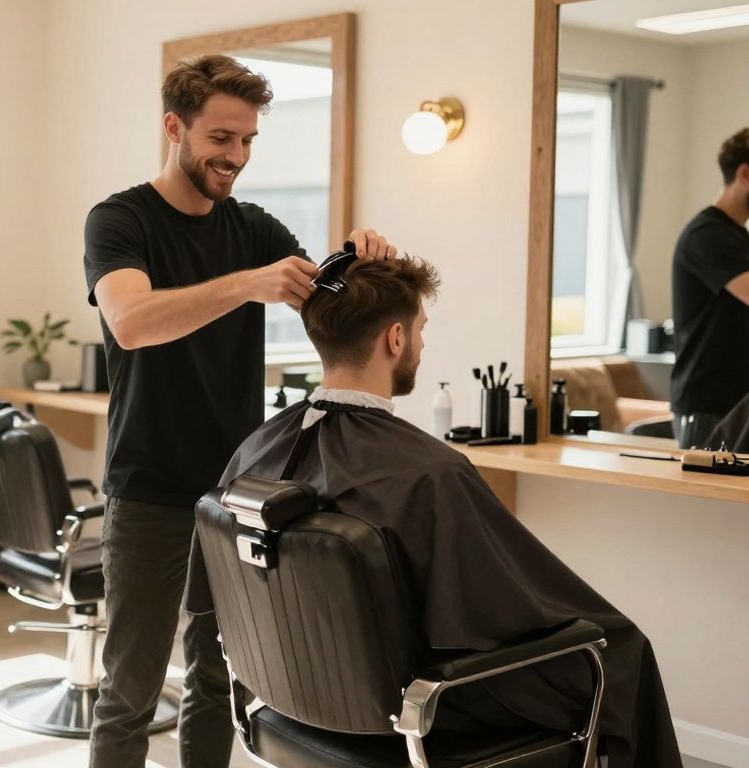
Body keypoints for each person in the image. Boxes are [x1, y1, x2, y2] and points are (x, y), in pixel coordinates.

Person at [188, 256, 683, 767]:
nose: (422, 346)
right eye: (421, 331)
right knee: (619, 651)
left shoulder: (255, 452)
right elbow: (499, 613)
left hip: (292, 702)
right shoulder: (430, 474)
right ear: (395, 339)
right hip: (419, 716)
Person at [82, 54, 397, 767]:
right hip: (149, 487)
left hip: (233, 491)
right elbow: (131, 320)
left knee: (218, 677)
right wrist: (247, 284)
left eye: (249, 140)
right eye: (222, 138)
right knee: (129, 688)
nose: (237, 156)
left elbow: (325, 301)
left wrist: (358, 260)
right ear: (175, 127)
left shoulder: (254, 226)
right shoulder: (120, 221)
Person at [671, 127, 749, 448]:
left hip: (733, 407)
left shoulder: (738, 238)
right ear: (744, 174)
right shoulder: (706, 236)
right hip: (708, 413)